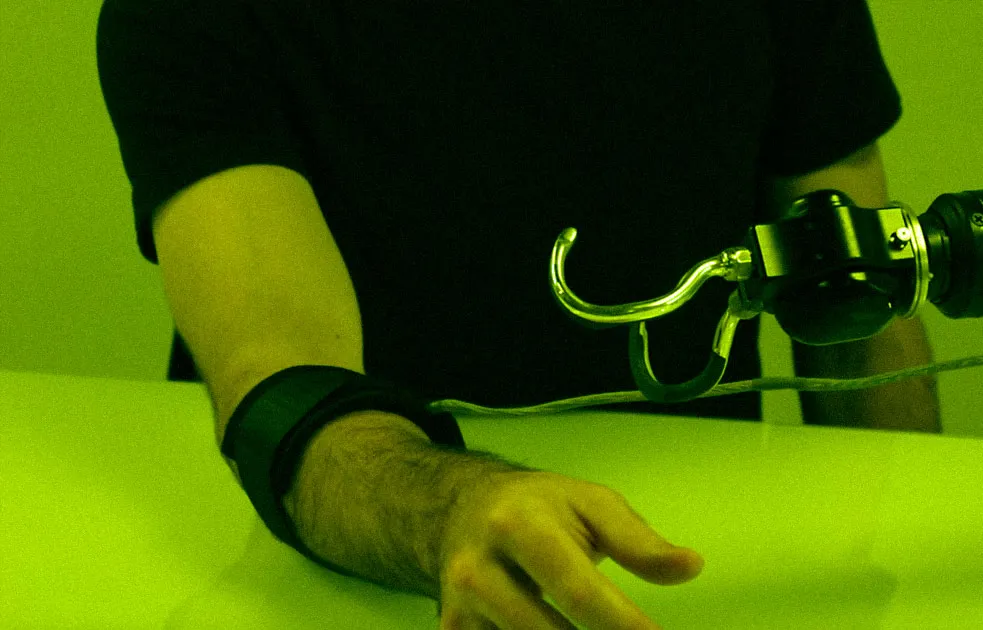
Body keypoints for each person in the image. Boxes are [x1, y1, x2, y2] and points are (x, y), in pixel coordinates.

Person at [97, 0, 940, 627]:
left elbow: (864, 308)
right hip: (326, 575)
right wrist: (450, 512)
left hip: (686, 573)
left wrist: (908, 583)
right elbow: (278, 379)